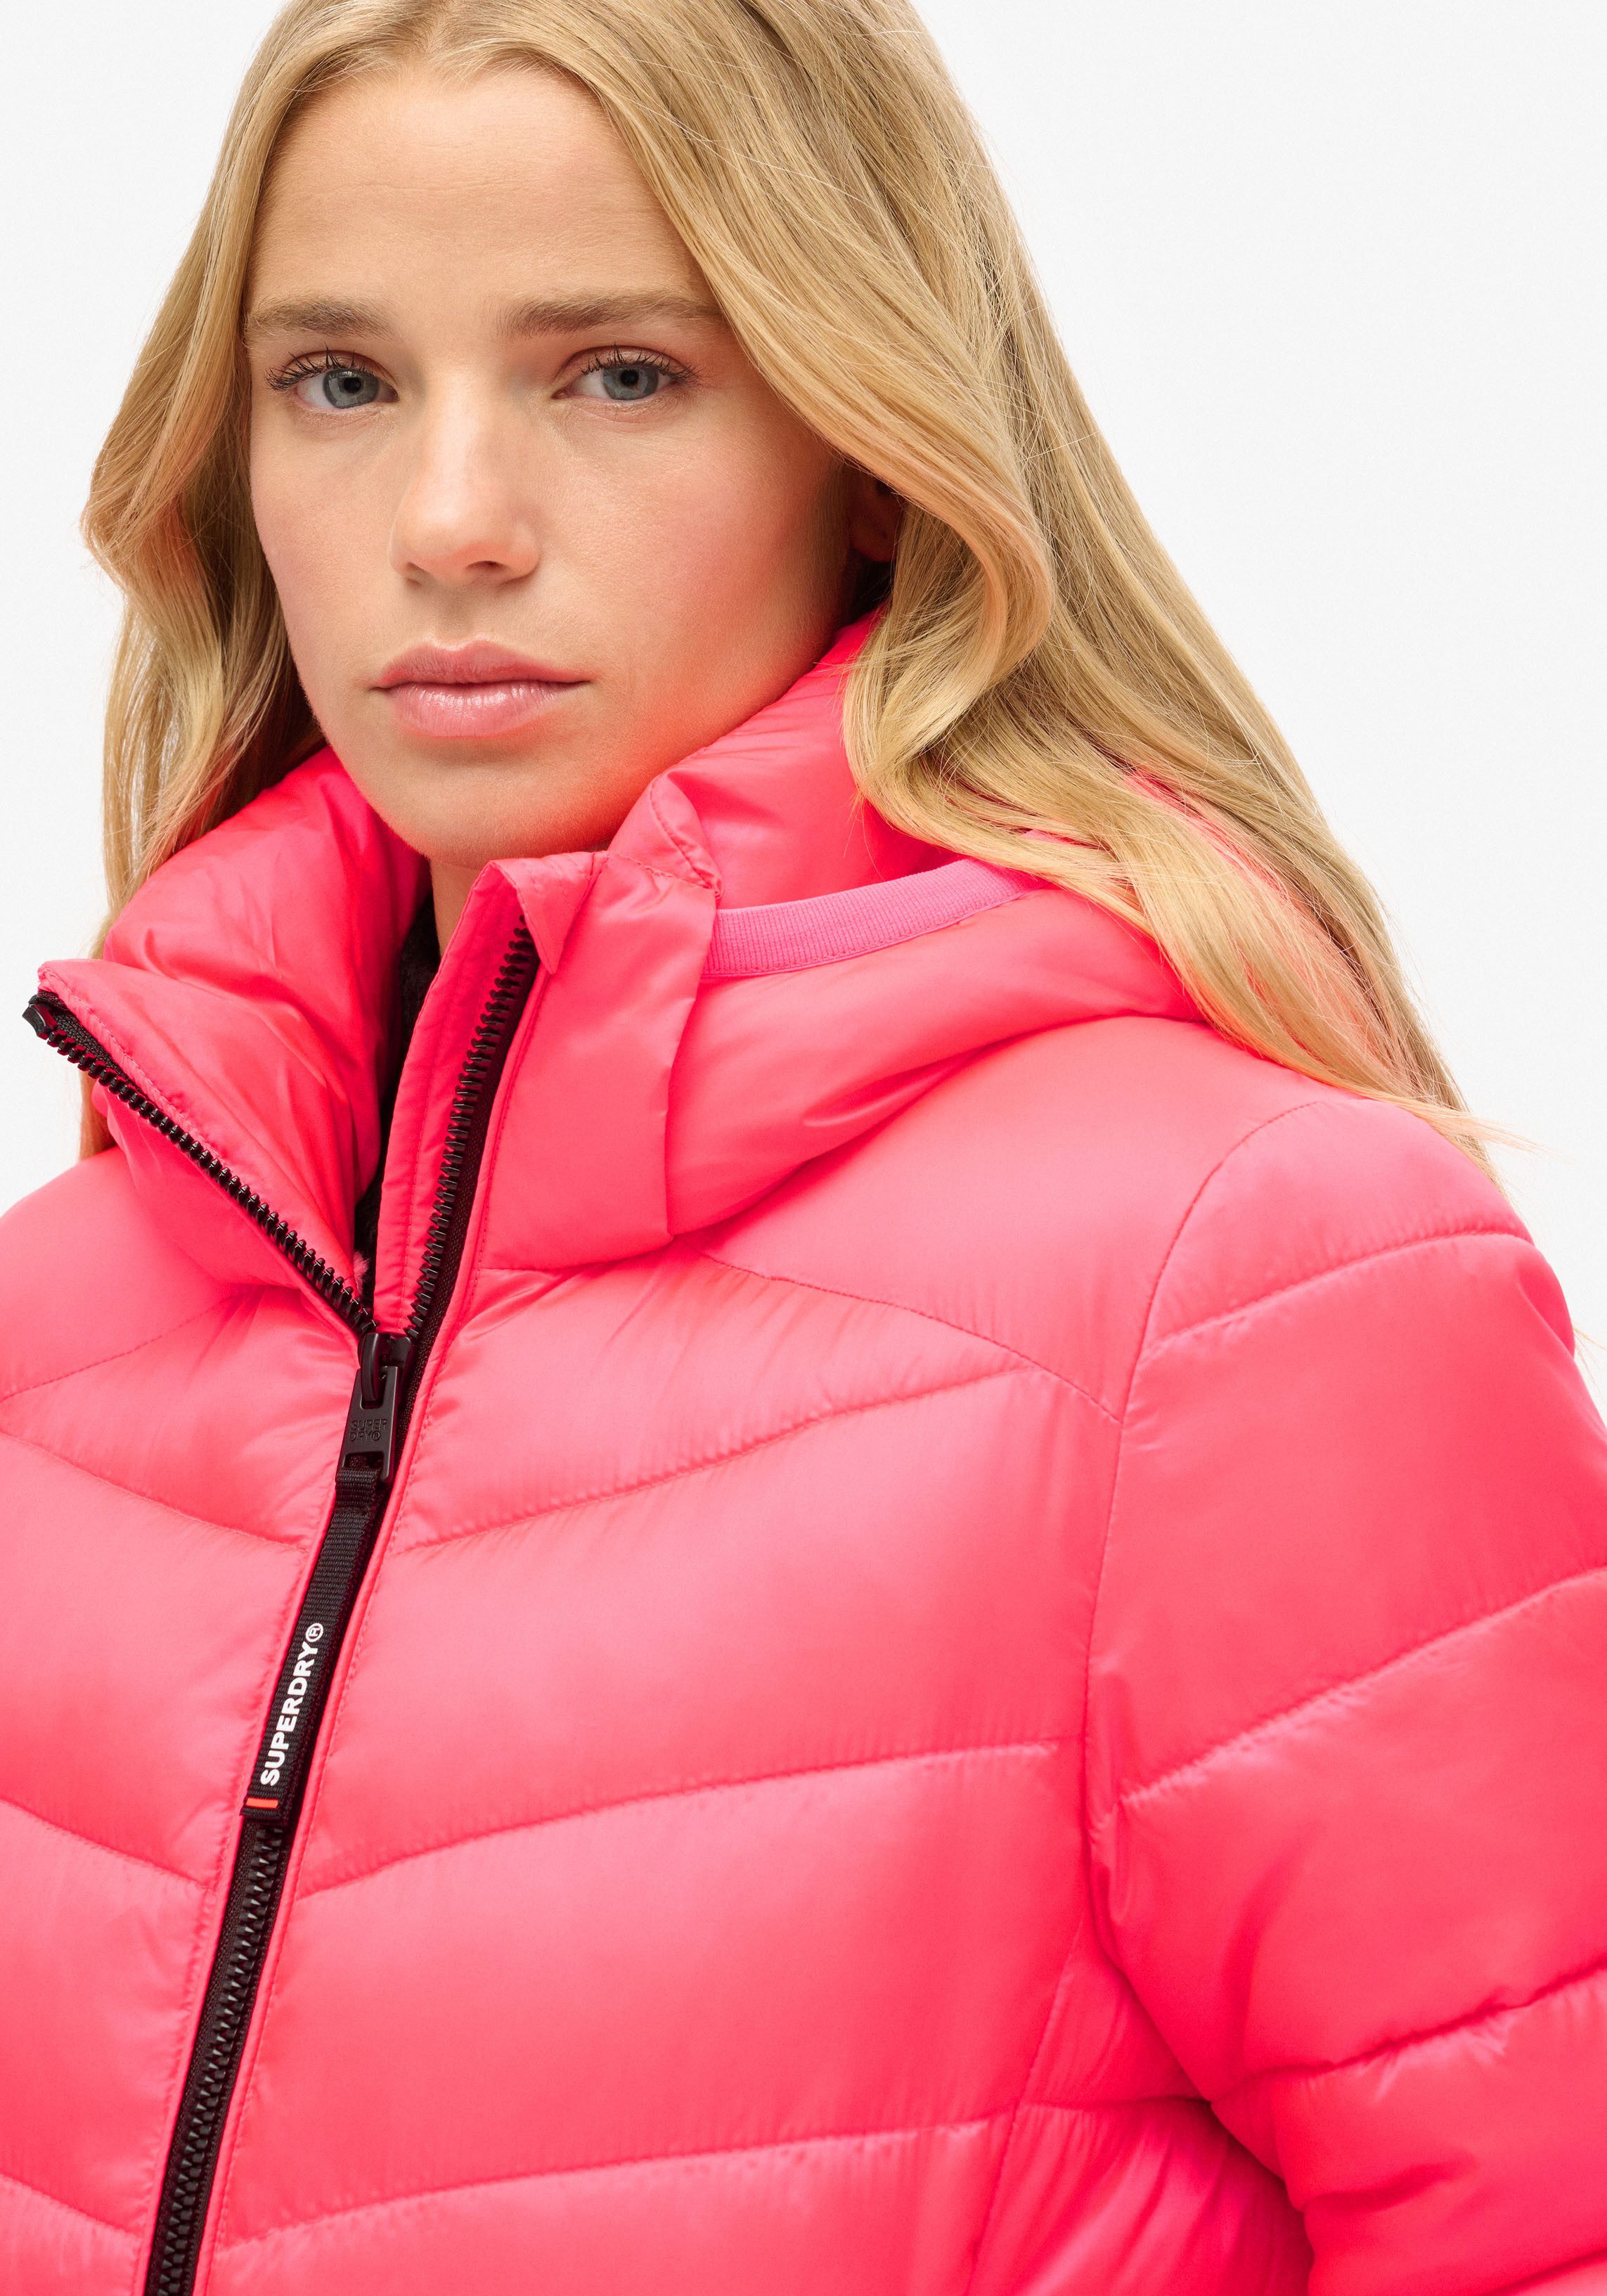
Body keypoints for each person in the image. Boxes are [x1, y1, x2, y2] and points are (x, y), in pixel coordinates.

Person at [3, 2, 1603, 2290]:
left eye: (617, 373)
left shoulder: (1236, 1272)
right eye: (340, 381)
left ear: (867, 444)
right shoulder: (59, 1324)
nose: (448, 523)